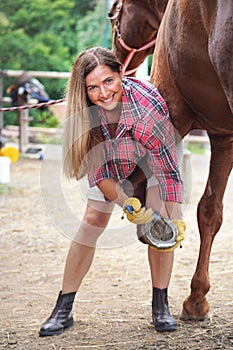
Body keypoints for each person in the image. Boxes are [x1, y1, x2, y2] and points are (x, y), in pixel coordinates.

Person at [39, 47, 186, 337]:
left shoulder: (146, 111)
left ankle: (161, 306)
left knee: (159, 224)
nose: (103, 93)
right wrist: (128, 204)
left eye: (109, 81)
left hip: (154, 158)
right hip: (112, 159)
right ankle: (63, 308)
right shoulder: (85, 116)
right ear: (83, 91)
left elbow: (167, 170)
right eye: (93, 87)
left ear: (121, 73)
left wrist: (173, 216)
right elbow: (100, 174)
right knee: (93, 219)